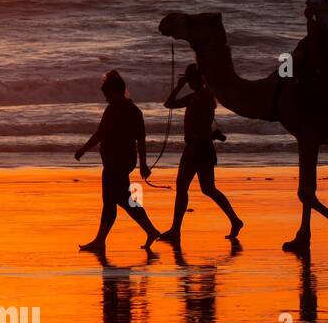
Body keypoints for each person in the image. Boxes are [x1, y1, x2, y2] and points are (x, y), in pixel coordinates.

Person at [75, 70, 161, 251]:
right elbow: (100, 134)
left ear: (116, 91)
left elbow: (141, 139)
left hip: (120, 162)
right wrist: (84, 149)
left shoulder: (133, 112)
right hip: (113, 161)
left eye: (108, 95)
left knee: (115, 200)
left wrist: (144, 164)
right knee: (119, 200)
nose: (106, 99)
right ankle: (148, 231)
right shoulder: (112, 109)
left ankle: (101, 241)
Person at [157, 63, 243, 245]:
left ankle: (175, 230)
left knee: (185, 187)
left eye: (189, 79)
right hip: (200, 147)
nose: (188, 82)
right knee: (207, 189)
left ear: (198, 79)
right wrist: (179, 85)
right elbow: (169, 104)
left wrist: (210, 136)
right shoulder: (198, 96)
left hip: (197, 148)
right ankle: (235, 220)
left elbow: (202, 126)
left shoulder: (202, 97)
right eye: (187, 79)